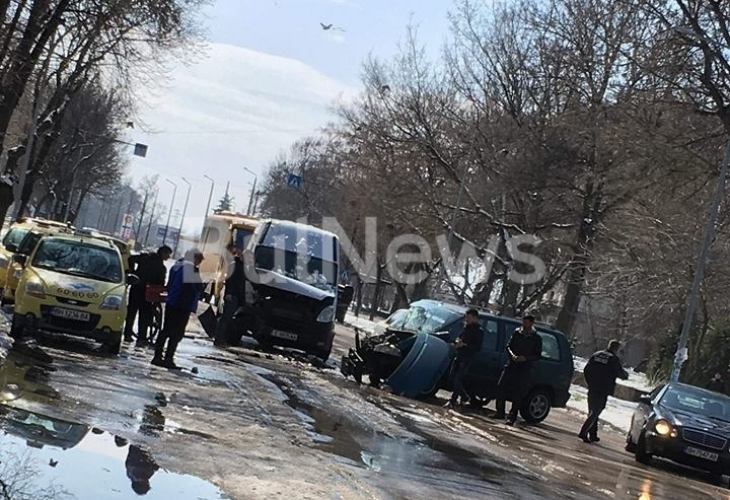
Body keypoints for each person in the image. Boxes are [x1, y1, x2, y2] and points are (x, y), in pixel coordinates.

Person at [152, 249, 204, 369]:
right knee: (176, 333)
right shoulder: (191, 269)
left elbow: (170, 284)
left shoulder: (176, 266)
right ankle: (169, 358)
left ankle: (157, 356)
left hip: (172, 302)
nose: (198, 264)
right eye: (198, 261)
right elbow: (197, 287)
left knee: (166, 330)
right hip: (183, 304)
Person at [494, 314, 543, 425]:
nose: (524, 325)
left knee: (518, 393)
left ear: (531, 323)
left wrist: (525, 358)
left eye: (526, 323)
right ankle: (500, 412)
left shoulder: (536, 338)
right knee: (501, 387)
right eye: (523, 322)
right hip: (511, 365)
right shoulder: (517, 333)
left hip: (524, 369)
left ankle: (512, 417)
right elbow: (508, 346)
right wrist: (513, 356)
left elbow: (538, 355)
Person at [579, 339, 629, 443]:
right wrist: (625, 375)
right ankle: (583, 432)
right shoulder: (613, 359)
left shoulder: (597, 354)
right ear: (616, 349)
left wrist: (589, 382)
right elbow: (620, 373)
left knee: (592, 410)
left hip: (593, 386)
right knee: (597, 410)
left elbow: (586, 369)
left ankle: (593, 434)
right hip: (603, 388)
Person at [124, 245, 172, 346]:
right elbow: (160, 284)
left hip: (136, 287)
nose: (168, 257)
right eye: (168, 254)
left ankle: (127, 334)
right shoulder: (161, 268)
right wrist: (157, 299)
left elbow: (131, 259)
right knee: (145, 315)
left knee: (131, 312)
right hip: (148, 293)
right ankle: (142, 337)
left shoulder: (145, 257)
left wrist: (132, 272)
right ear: (163, 253)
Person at [445, 308, 484, 409]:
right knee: (452, 376)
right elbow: (459, 337)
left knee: (458, 378)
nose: (467, 320)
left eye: (469, 318)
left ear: (475, 318)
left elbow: (477, 347)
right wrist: (457, 342)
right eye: (466, 317)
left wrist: (465, 345)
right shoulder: (466, 327)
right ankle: (464, 396)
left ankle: (453, 401)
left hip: (467, 357)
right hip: (459, 355)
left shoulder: (479, 331)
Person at [214, 243, 246, 347]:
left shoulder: (241, 266)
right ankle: (218, 339)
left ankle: (221, 339)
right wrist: (228, 293)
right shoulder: (235, 264)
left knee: (227, 319)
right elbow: (230, 280)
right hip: (232, 295)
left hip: (236, 296)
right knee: (225, 318)